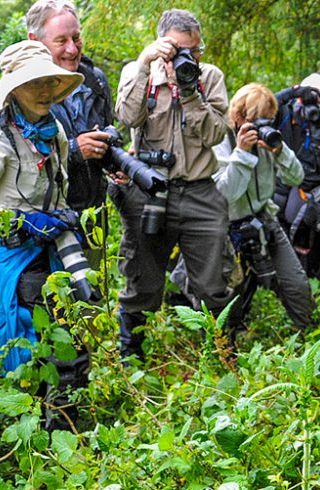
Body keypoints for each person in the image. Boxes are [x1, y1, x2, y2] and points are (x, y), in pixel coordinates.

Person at [113, 9, 232, 359]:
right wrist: (144, 62)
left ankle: (220, 352)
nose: (189, 57)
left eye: (195, 50)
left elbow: (214, 133)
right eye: (180, 50)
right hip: (152, 189)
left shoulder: (209, 77)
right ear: (162, 44)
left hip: (200, 189)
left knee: (212, 283)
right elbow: (127, 117)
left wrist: (190, 91)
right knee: (143, 281)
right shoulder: (140, 74)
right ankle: (131, 357)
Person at [175, 83, 315, 340]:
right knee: (226, 295)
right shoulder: (220, 140)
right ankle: (222, 345)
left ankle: (307, 336)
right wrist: (242, 153)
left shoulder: (267, 140)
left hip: (263, 219)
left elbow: (297, 178)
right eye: (257, 121)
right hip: (225, 227)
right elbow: (225, 195)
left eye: (268, 121)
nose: (263, 127)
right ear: (239, 117)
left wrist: (281, 152)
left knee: (296, 284)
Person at [0, 40, 85, 427]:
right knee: (25, 344)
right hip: (11, 257)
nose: (46, 92)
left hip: (52, 250)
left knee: (70, 333)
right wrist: (20, 221)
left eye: (50, 83)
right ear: (14, 88)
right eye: (35, 84)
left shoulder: (55, 132)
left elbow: (60, 189)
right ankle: (27, 432)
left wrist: (64, 220)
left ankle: (65, 425)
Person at [26, 0, 115, 217]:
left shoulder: (95, 80)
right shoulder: (22, 90)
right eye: (61, 41)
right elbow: (20, 166)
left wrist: (113, 157)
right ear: (35, 41)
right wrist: (74, 150)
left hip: (93, 212)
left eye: (76, 38)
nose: (72, 49)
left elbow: (106, 126)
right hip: (44, 218)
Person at [273, 73, 320, 286]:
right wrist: (292, 92)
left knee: (308, 259)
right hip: (278, 190)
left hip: (309, 198)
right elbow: (255, 110)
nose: (319, 111)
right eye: (314, 103)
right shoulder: (285, 112)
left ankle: (308, 290)